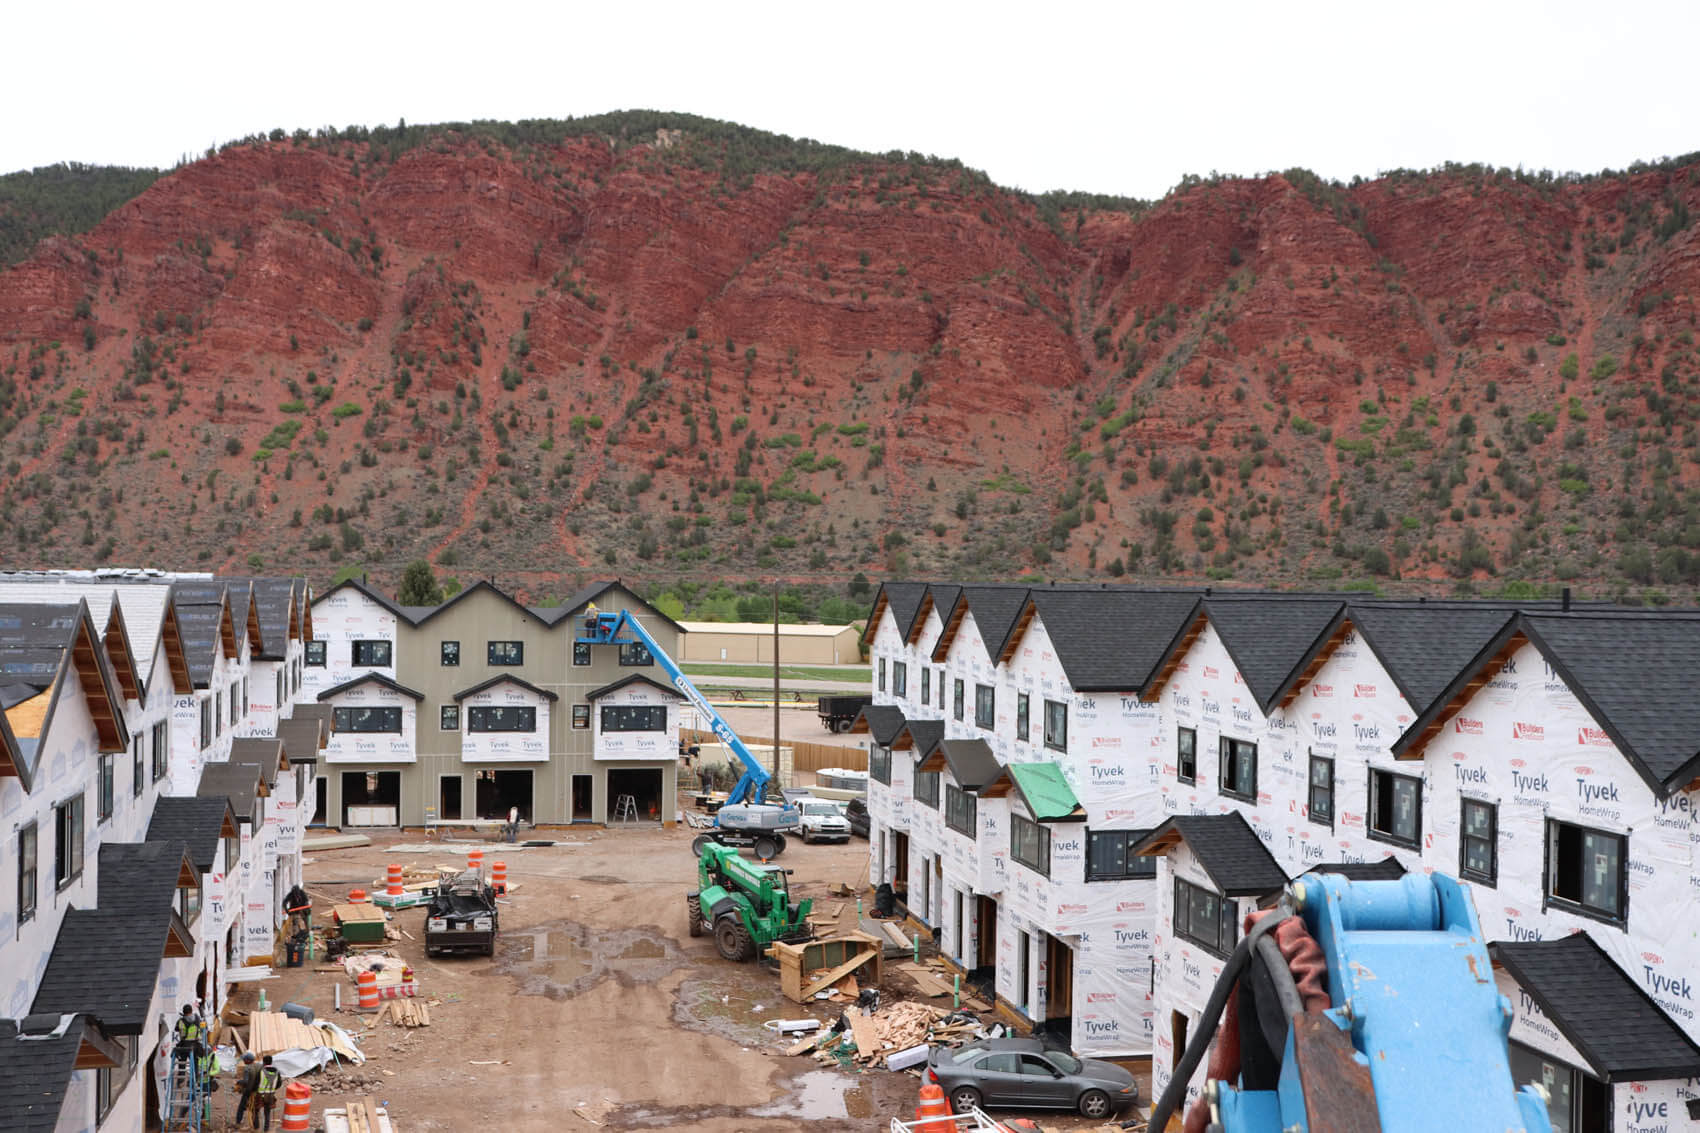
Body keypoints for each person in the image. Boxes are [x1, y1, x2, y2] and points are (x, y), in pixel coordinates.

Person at [252, 1055, 281, 1130]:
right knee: (267, 1113)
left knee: (255, 1110)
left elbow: (256, 1083)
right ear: (271, 1062)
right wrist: (272, 1089)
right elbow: (279, 1084)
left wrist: (254, 1090)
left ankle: (256, 1127)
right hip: (270, 1095)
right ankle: (266, 1129)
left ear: (264, 1062)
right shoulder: (277, 1072)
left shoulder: (261, 1071)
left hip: (260, 1094)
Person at [234, 1051, 260, 1126]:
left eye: (244, 1059)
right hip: (258, 1090)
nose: (243, 1061)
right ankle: (256, 1127)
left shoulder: (247, 1068)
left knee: (241, 1107)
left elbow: (245, 1081)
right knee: (254, 1109)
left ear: (248, 1060)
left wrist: (239, 1082)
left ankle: (238, 1123)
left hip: (249, 1091)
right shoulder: (258, 1066)